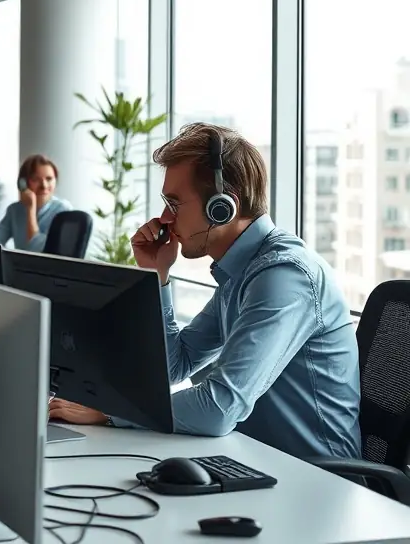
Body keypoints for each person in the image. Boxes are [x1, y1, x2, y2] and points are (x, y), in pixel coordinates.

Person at [49, 123, 361, 461]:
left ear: (222, 207)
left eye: (175, 203)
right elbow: (174, 367)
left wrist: (111, 412)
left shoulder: (284, 277)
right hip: (254, 458)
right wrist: (157, 275)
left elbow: (219, 406)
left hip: (316, 477)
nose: (165, 219)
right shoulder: (241, 272)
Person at [0, 154, 70, 251]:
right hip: (19, 265)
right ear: (23, 183)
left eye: (49, 179)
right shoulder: (15, 210)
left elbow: (38, 250)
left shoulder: (63, 210)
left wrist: (31, 209)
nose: (44, 185)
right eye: (36, 179)